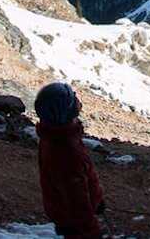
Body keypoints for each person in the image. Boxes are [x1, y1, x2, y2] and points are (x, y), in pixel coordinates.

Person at [34, 82, 105, 238]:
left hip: (63, 214)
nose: (79, 102)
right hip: (75, 223)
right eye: (74, 100)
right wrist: (92, 231)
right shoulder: (67, 150)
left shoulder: (52, 136)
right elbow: (77, 200)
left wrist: (96, 199)